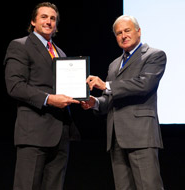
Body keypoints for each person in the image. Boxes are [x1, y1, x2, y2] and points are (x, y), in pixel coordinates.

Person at [81, 15, 166, 190]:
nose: (123, 35)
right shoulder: (114, 65)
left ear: (138, 31)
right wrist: (95, 102)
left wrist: (106, 85)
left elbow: (144, 85)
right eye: (119, 33)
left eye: (127, 30)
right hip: (116, 139)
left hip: (141, 136)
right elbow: (110, 98)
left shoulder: (154, 55)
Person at [4, 2, 80, 190]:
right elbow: (15, 86)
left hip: (61, 133)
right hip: (34, 133)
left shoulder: (60, 52)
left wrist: (80, 96)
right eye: (44, 17)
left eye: (53, 18)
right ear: (33, 22)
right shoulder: (20, 45)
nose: (49, 21)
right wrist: (49, 99)